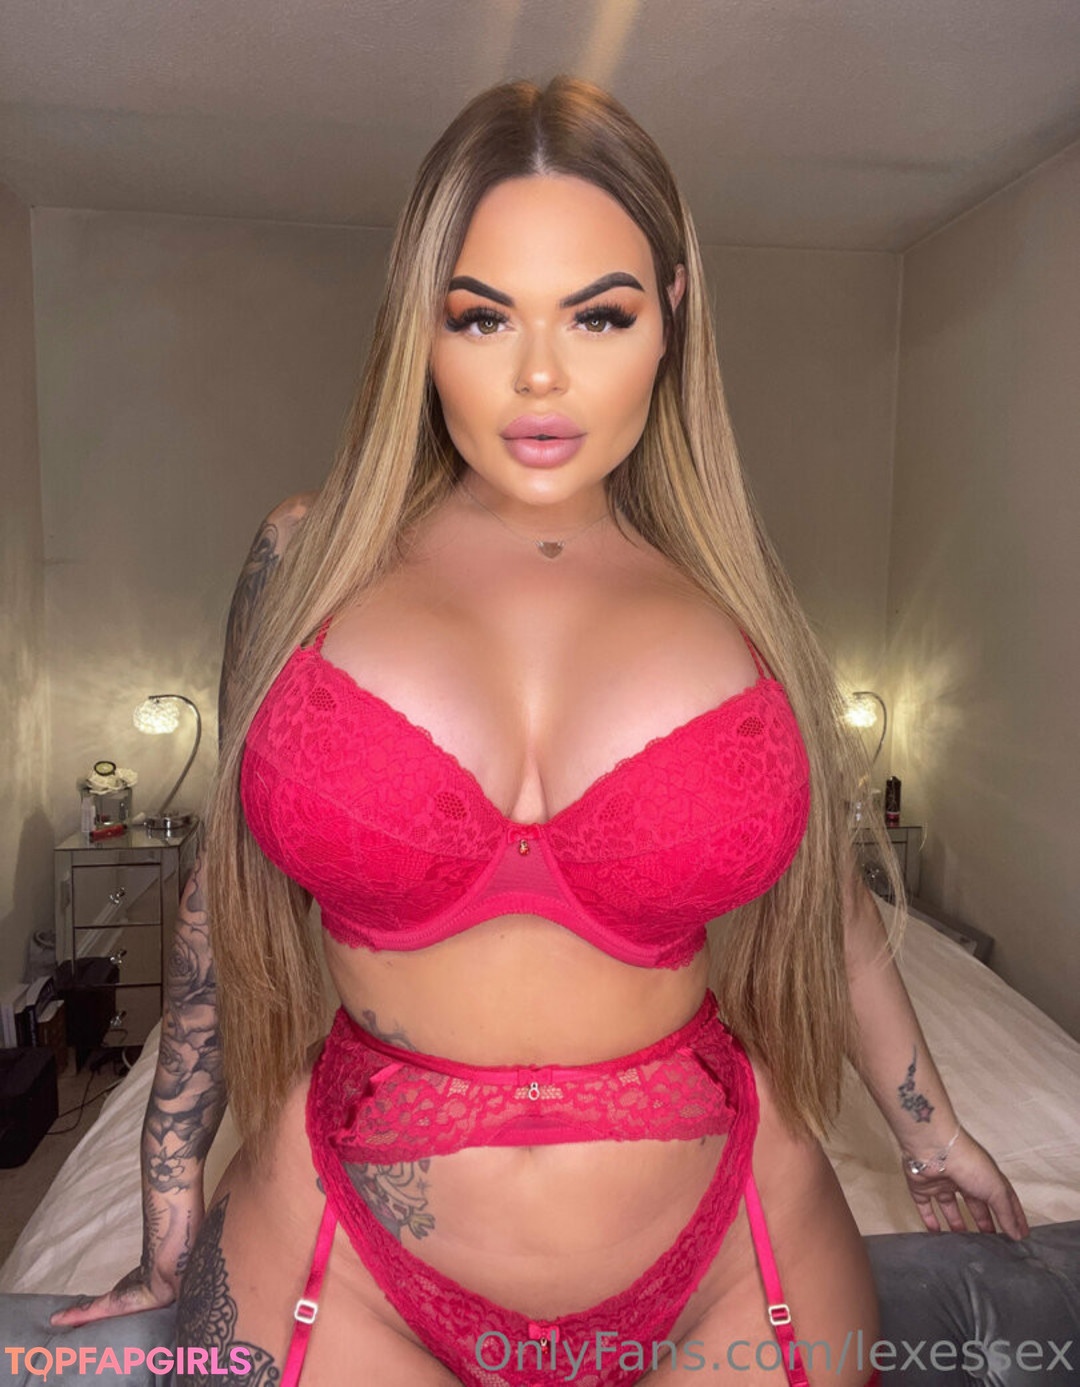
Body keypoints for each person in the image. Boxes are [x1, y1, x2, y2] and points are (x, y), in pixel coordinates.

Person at [53, 77, 1028, 1386]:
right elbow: (218, 903)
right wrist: (166, 1206)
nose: (540, 376)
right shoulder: (306, 559)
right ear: (421, 325)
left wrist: (932, 1135)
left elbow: (831, 906)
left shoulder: (736, 599)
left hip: (734, 1253)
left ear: (672, 312)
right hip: (342, 1254)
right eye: (483, 315)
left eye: (599, 314)